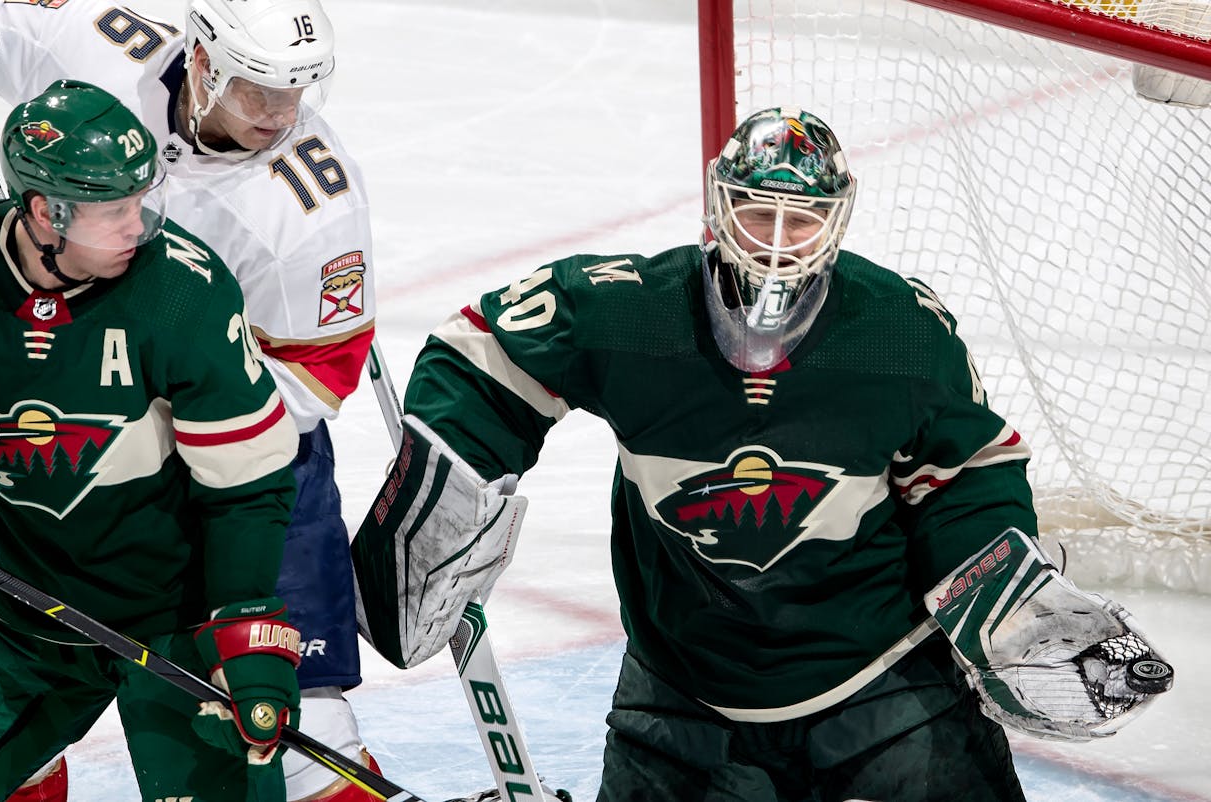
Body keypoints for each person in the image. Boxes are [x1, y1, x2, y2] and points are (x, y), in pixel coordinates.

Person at [350, 107, 1174, 801]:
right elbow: (485, 355)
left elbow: (963, 471)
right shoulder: (631, 313)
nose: (778, 240)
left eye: (803, 218)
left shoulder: (900, 330)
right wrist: (449, 488)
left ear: (838, 219)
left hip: (880, 679)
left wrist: (1003, 594)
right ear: (719, 204)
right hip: (685, 687)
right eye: (757, 211)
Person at [0, 0, 380, 797]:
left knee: (285, 732)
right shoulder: (106, 47)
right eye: (259, 89)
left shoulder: (313, 208)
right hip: (68, 456)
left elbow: (316, 372)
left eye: (296, 92)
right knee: (6, 714)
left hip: (238, 476)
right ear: (203, 59)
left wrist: (154, 416)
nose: (280, 114)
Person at [0, 80, 305, 802]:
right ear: (45, 211)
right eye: (115, 211)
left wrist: (243, 619)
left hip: (174, 626)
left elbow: (248, 484)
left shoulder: (183, 294)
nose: (139, 226)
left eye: (142, 201)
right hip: (22, 611)